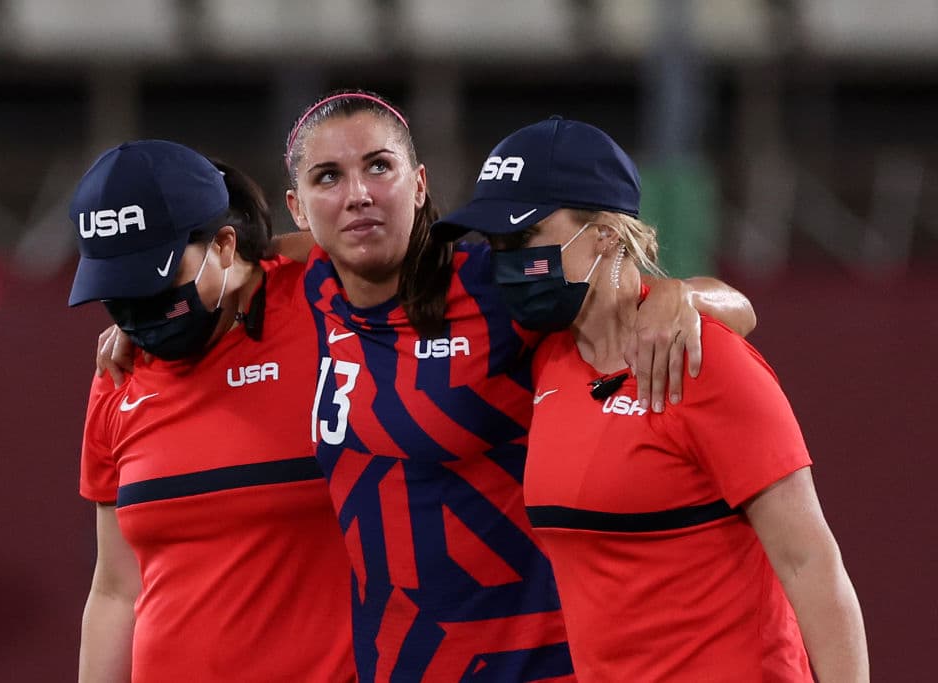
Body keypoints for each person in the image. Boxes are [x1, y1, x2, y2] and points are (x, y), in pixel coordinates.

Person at [98, 91, 756, 681]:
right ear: (299, 206)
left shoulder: (495, 287)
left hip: (536, 662)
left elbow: (721, 310)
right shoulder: (312, 289)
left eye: (378, 166)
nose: (358, 193)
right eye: (329, 176)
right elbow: (234, 266)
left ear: (418, 184)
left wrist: (681, 295)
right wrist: (139, 323)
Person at [432, 117, 869, 681]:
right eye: (494, 244)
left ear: (607, 234)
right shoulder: (548, 360)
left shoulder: (708, 363)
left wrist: (685, 292)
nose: (506, 263)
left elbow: (811, 563)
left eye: (522, 239)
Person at [69, 140, 355, 682]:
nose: (138, 312)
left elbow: (405, 243)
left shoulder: (326, 302)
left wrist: (266, 252)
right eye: (119, 291)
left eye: (156, 283)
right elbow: (115, 590)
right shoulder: (118, 375)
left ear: (225, 244)